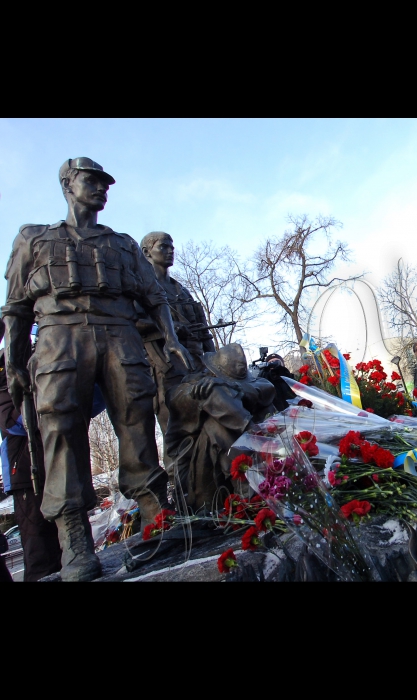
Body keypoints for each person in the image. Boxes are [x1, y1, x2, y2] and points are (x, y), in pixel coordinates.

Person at [1, 157, 194, 582]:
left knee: (136, 418)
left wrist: (172, 339)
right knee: (61, 429)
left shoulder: (122, 244)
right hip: (58, 335)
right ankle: (75, 539)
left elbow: (153, 296)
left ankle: (155, 517)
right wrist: (14, 363)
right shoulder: (33, 239)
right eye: (93, 181)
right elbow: (15, 308)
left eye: (106, 183)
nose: (103, 189)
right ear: (68, 184)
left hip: (118, 334)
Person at [164, 343, 276, 512]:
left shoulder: (245, 383)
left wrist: (234, 386)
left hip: (231, 463)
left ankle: (262, 473)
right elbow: (208, 395)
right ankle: (251, 489)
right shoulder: (188, 389)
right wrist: (251, 430)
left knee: (265, 409)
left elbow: (266, 387)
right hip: (199, 479)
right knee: (215, 425)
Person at [139, 231, 216, 439]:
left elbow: (204, 330)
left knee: (207, 426)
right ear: (147, 252)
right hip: (166, 366)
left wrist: (215, 364)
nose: (170, 250)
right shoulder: (140, 288)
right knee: (178, 430)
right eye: (163, 246)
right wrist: (169, 328)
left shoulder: (181, 290)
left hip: (198, 365)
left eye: (172, 246)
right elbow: (133, 321)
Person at [0, 349, 62, 581]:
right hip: (25, 475)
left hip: (52, 467)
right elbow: (14, 422)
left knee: (58, 541)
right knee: (38, 545)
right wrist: (50, 405)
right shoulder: (4, 391)